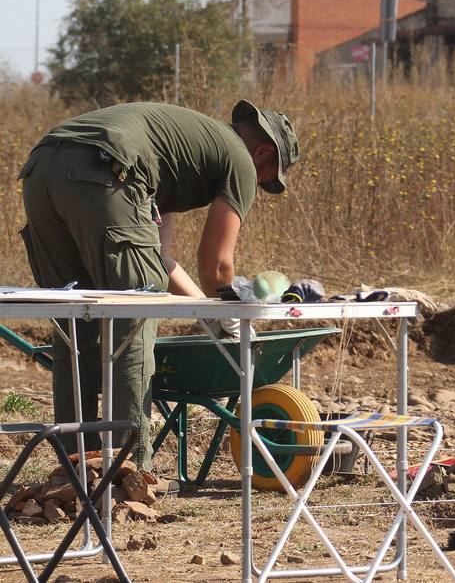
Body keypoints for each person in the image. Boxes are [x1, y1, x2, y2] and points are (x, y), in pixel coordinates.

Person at [18, 100, 298, 467]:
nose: (259, 185)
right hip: (105, 172)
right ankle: (126, 471)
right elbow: (216, 263)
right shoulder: (240, 161)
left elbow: (160, 260)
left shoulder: (177, 147)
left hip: (41, 169)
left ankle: (75, 470)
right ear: (263, 152)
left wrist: (207, 309)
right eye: (267, 177)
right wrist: (230, 314)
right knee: (133, 321)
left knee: (75, 326)